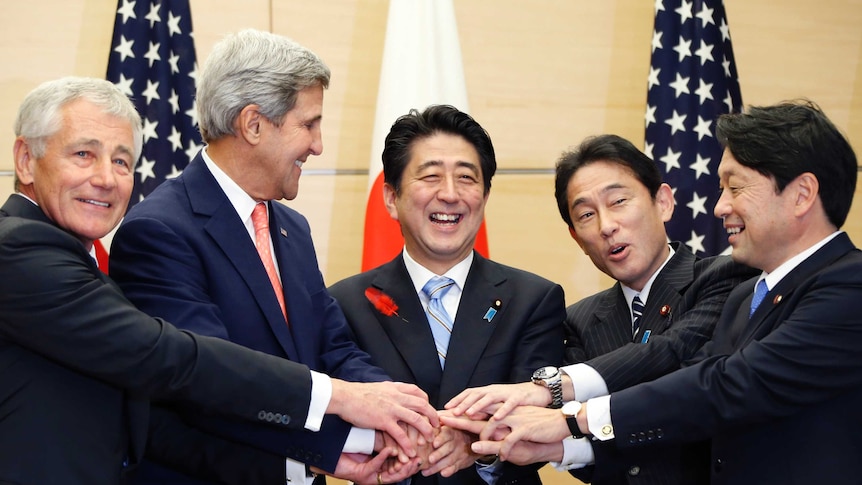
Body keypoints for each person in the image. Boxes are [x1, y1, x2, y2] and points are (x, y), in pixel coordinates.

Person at [0, 76, 438, 485]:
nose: (105, 178)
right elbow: (170, 356)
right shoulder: (19, 250)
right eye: (83, 154)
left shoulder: (71, 258)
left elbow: (150, 425)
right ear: (25, 159)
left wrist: (312, 457)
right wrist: (338, 397)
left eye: (121, 161)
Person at [442, 100, 862, 485]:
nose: (719, 208)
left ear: (802, 194)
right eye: (586, 214)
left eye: (735, 188)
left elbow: (723, 385)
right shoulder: (748, 297)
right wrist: (561, 445)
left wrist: (571, 415)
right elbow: (697, 404)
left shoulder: (848, 285)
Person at [108, 30, 427, 485]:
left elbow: (332, 348)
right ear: (253, 124)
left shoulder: (291, 229)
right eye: (309, 124)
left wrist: (400, 410)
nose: (318, 145)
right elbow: (208, 385)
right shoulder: (158, 232)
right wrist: (352, 439)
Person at [444, 134, 755, 484]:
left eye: (619, 201)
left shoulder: (726, 279)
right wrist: (495, 439)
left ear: (663, 202)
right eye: (587, 214)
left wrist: (551, 389)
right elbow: (583, 445)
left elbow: (672, 355)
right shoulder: (578, 320)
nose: (606, 226)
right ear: (576, 237)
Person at [328, 105, 566, 485]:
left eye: (467, 178)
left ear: (485, 196)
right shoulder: (345, 303)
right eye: (431, 176)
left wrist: (474, 442)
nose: (451, 194)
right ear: (391, 198)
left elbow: (544, 422)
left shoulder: (534, 299)